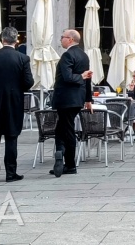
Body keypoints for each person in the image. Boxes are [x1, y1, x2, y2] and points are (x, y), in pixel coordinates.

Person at [0, 26, 35, 183]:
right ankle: (11, 173)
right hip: (13, 101)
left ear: (2, 40)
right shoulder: (23, 58)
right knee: (11, 136)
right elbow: (29, 82)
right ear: (16, 41)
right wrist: (16, 89)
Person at [51, 29, 92, 178]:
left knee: (67, 130)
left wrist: (79, 76)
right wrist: (88, 99)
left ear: (70, 40)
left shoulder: (67, 54)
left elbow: (68, 77)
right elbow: (89, 79)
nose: (61, 39)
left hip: (66, 98)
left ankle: (69, 163)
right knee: (62, 128)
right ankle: (61, 155)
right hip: (78, 99)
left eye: (63, 37)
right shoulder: (84, 55)